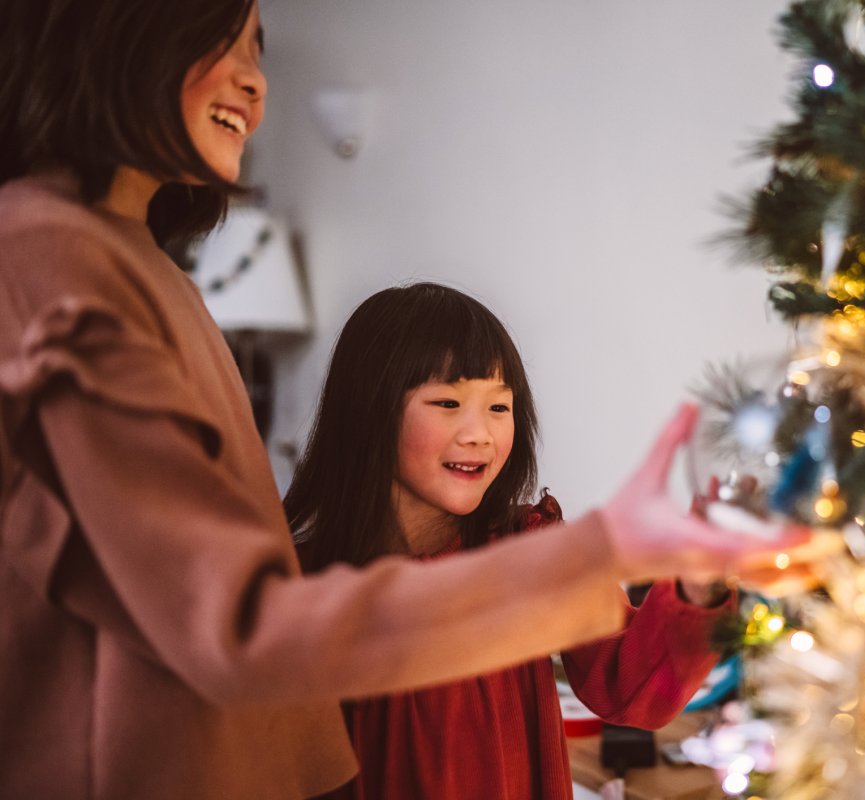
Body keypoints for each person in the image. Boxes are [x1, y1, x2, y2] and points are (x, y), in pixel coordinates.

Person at [0, 1, 806, 797]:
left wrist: (670, 579)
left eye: (499, 405)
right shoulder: (57, 261)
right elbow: (234, 624)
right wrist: (602, 550)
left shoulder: (137, 265)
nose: (256, 85)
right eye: (225, 44)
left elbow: (635, 686)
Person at [286, 283, 735, 799]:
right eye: (448, 402)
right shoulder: (302, 587)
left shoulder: (530, 551)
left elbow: (627, 685)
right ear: (369, 411)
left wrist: (699, 585)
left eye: (500, 408)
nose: (480, 433)